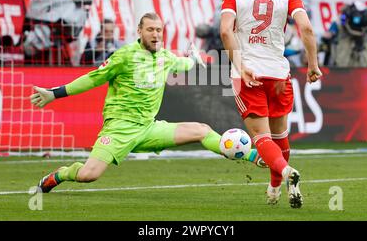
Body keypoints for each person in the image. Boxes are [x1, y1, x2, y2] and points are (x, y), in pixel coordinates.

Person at [31, 12, 265, 193]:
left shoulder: (165, 57)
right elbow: (92, 79)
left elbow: (183, 64)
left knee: (202, 131)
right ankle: (61, 174)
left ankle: (253, 156)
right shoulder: (124, 56)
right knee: (87, 175)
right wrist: (54, 94)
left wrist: (194, 59)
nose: (155, 34)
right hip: (120, 128)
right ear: (139, 31)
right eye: (150, 30)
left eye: (159, 30)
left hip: (149, 128)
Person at [220, 0, 322, 208]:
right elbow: (307, 29)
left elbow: (225, 31)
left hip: (249, 73)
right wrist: (313, 65)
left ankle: (287, 173)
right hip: (278, 74)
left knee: (262, 138)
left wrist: (240, 65)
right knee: (280, 136)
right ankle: (276, 187)